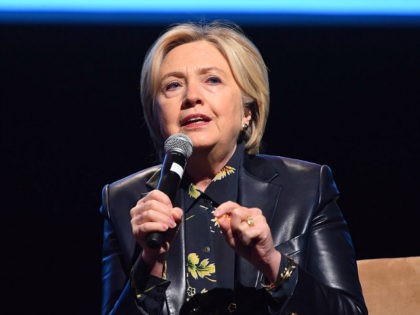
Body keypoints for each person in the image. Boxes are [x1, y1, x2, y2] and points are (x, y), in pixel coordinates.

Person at [99, 21, 367, 315]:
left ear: (247, 111)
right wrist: (150, 261)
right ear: (156, 115)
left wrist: (271, 262)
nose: (191, 97)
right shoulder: (124, 201)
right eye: (173, 85)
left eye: (212, 80)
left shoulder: (305, 188)